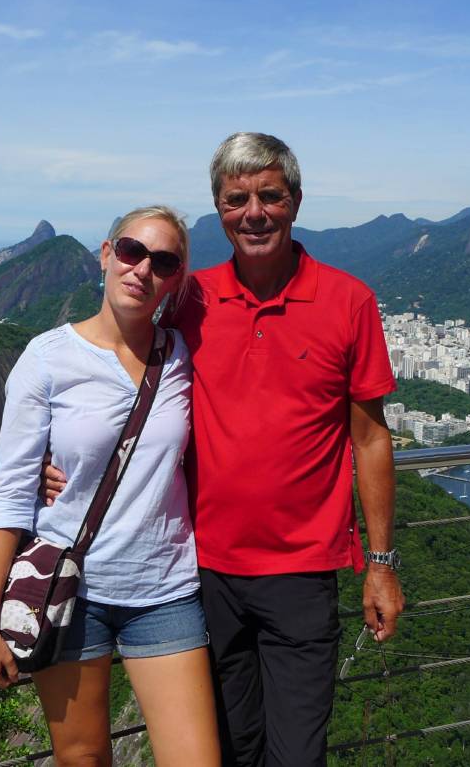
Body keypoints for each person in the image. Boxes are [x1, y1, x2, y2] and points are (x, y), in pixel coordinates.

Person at [46, 134, 405, 767]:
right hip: (203, 572)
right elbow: (124, 373)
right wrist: (63, 466)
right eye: (237, 200)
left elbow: (372, 438)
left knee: (297, 754)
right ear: (219, 209)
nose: (254, 213)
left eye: (270, 196)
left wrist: (380, 563)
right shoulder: (190, 298)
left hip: (302, 572)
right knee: (232, 750)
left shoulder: (349, 301)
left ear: (295, 201)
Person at [0, 206, 220, 767]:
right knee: (81, 757)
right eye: (131, 251)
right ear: (106, 255)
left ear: (175, 278)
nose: (142, 269)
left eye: (163, 262)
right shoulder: (48, 358)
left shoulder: (183, 356)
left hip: (165, 588)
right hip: (69, 590)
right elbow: (11, 493)